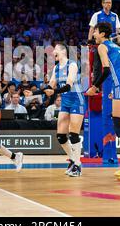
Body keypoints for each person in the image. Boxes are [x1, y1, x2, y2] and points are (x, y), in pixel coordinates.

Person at [86, 23, 120, 181]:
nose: (93, 34)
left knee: (117, 126)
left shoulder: (102, 46)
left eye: (95, 31)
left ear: (102, 34)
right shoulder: (116, 47)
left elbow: (107, 70)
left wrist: (94, 87)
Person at [25, 43, 85, 177]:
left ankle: (78, 165)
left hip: (76, 100)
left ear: (63, 51)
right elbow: (49, 88)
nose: (53, 53)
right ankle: (73, 160)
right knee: (61, 136)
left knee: (74, 134)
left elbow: (68, 86)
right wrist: (34, 93)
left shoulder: (72, 65)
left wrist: (53, 91)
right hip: (66, 101)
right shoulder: (57, 68)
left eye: (55, 50)